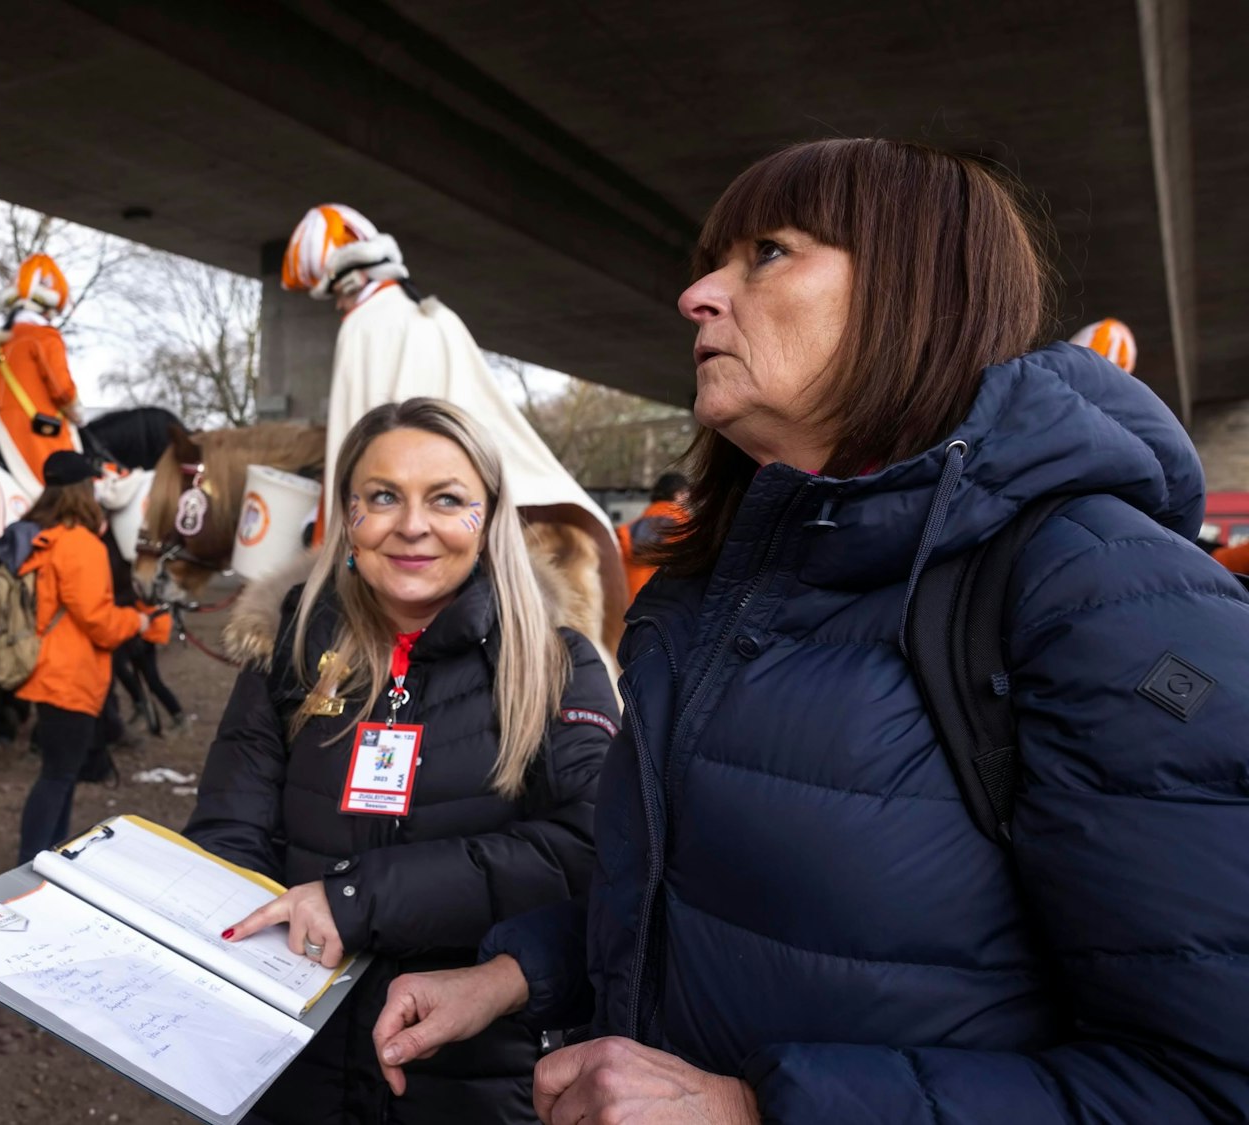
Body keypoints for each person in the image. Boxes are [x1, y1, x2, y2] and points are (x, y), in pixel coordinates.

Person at [369, 138, 1249, 1124]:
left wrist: (759, 1111)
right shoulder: (718, 589)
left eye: (767, 254)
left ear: (916, 293)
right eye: (712, 260)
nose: (696, 294)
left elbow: (1207, 1086)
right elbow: (715, 909)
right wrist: (515, 973)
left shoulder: (1102, 599)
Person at [185, 397, 619, 1124]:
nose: (412, 524)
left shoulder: (554, 665)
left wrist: (360, 901)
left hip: (469, 1079)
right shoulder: (288, 655)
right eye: (382, 496)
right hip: (288, 1067)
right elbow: (228, 833)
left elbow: (591, 845)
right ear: (348, 516)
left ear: (488, 518)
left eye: (447, 499)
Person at [281, 205, 620, 594]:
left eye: (334, 296)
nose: (338, 307)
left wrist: (330, 535)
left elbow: (354, 444)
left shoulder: (364, 326)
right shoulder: (438, 316)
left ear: (349, 282)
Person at [14, 450, 172, 864]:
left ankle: (44, 856)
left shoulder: (45, 536)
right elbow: (98, 622)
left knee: (61, 774)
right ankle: (31, 862)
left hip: (50, 673)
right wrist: (139, 623)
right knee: (58, 776)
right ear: (84, 490)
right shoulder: (82, 544)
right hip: (71, 677)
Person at [0, 254, 85, 497]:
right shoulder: (44, 336)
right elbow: (62, 389)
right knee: (70, 492)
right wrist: (78, 414)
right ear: (49, 307)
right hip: (25, 435)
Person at [616, 471, 689, 605]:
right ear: (678, 495)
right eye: (686, 495)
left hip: (630, 609)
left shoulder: (627, 531)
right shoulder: (685, 530)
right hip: (668, 612)